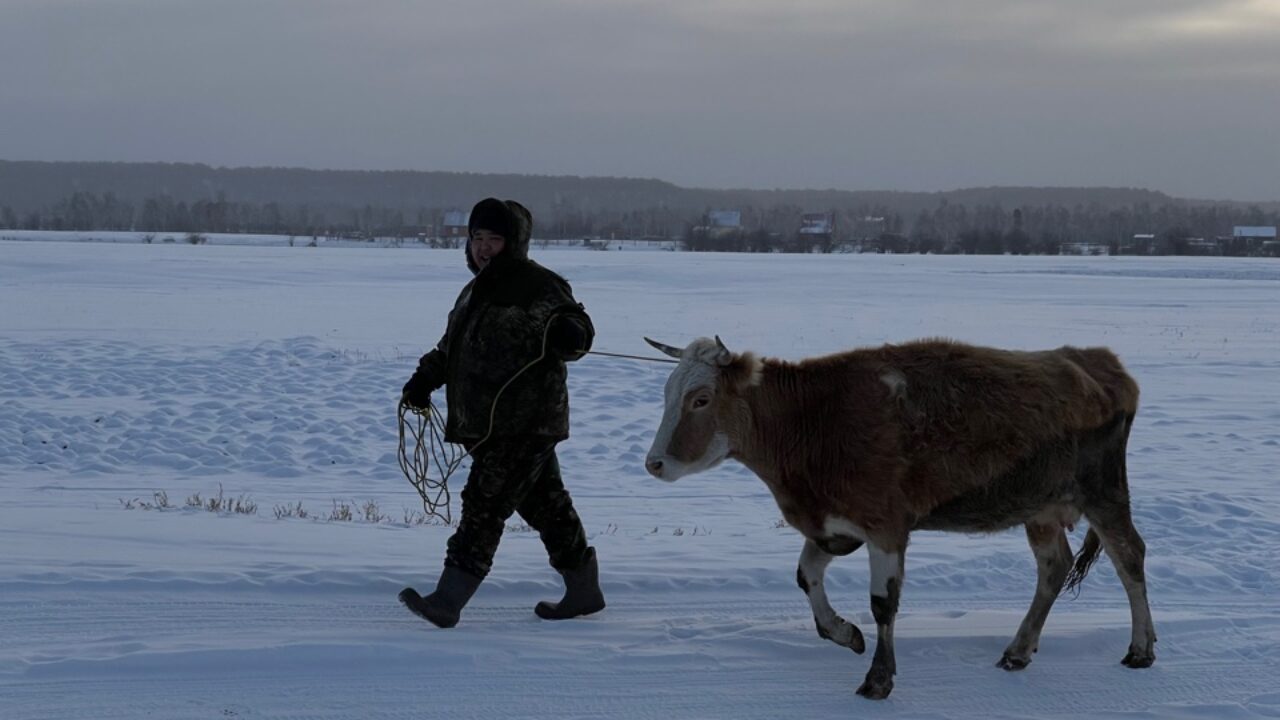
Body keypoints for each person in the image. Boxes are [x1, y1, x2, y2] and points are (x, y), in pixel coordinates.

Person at [397, 197, 605, 628]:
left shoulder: (539, 286)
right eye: (477, 238)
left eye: (494, 238)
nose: (484, 248)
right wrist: (423, 380)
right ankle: (584, 590)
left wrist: (570, 334)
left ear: (515, 242)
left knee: (484, 502)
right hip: (487, 426)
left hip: (526, 423)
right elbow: (450, 348)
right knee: (547, 505)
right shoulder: (475, 290)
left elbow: (578, 332)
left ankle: (448, 599)